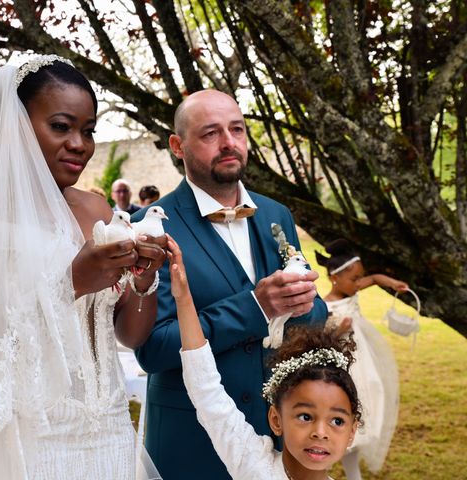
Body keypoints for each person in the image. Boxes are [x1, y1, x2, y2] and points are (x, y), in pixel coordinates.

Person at [0, 55, 166, 480]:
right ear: (14, 126)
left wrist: (144, 279)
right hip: (24, 435)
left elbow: (129, 335)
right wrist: (68, 284)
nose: (80, 144)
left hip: (108, 426)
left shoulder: (95, 208)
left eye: (88, 130)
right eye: (61, 126)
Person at [133, 89, 328, 479]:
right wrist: (256, 308)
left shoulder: (276, 214)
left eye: (236, 129)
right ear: (177, 145)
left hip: (278, 442)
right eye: (210, 134)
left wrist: (307, 302)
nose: (229, 143)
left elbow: (315, 315)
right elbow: (153, 349)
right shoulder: (151, 227)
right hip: (190, 444)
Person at [167, 236, 359, 479]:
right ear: (276, 419)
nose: (320, 432)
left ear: (352, 431)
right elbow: (206, 392)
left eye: (337, 421)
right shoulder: (253, 463)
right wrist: (183, 298)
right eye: (305, 416)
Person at [315, 239, 403, 480]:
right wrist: (338, 330)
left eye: (358, 278)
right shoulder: (324, 306)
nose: (358, 284)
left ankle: (354, 473)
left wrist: (393, 284)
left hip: (364, 360)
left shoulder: (351, 288)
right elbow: (321, 340)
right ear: (335, 278)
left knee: (370, 393)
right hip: (344, 367)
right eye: (354, 279)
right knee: (345, 409)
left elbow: (374, 279)